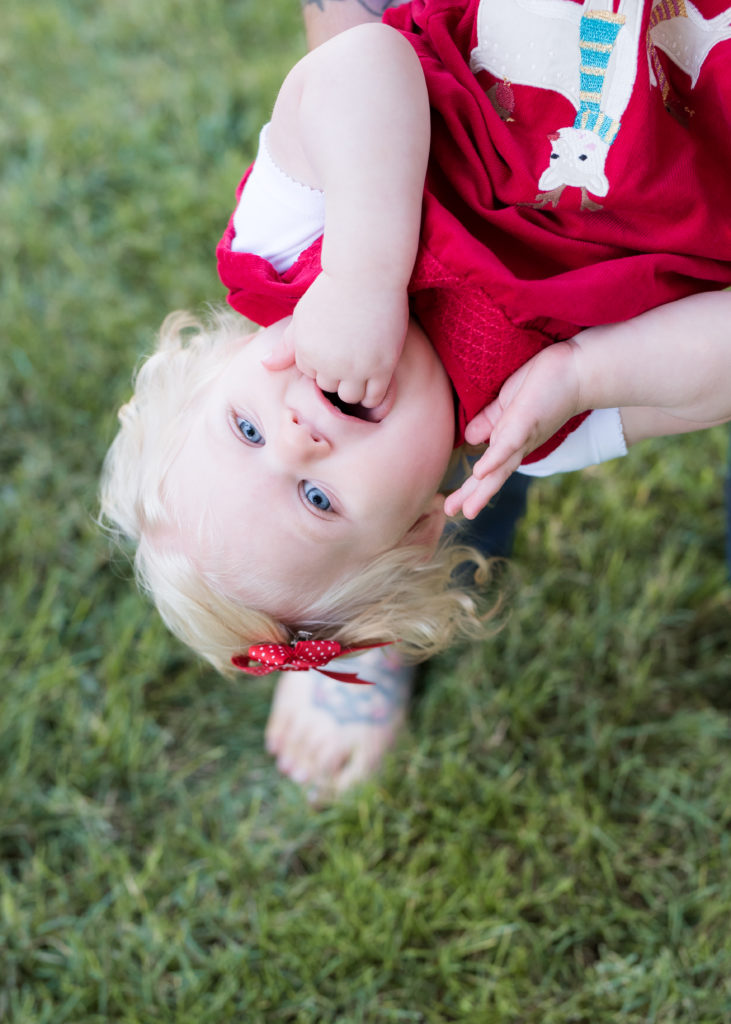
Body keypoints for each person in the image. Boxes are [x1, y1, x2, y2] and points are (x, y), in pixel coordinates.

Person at [100, 0, 731, 799]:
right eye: (318, 498)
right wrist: (585, 373)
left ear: (227, 359)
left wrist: (363, 272)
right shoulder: (536, 424)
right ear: (423, 526)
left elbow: (364, 58)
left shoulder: (287, 255)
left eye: (246, 426)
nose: (297, 436)